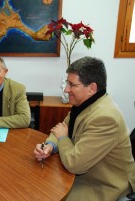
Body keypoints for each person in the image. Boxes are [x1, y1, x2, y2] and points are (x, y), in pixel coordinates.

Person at [34, 56, 135, 201]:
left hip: (103, 184)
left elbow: (75, 164)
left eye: (72, 85)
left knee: (45, 195)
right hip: (82, 174)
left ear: (92, 88)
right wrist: (49, 146)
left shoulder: (106, 118)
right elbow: (60, 129)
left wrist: (62, 138)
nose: (66, 89)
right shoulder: (84, 103)